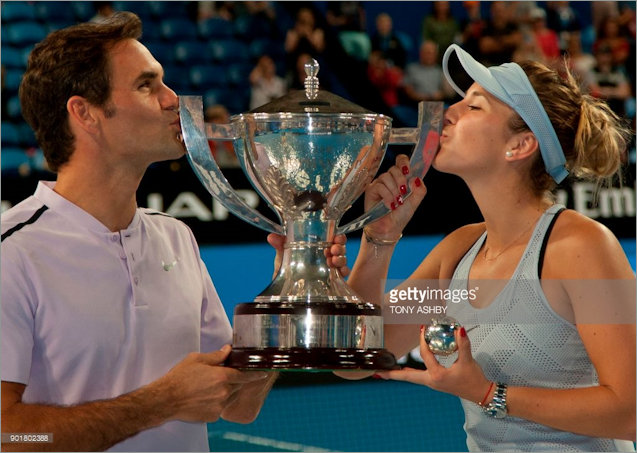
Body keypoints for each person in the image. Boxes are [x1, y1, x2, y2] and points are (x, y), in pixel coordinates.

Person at [0, 13, 348, 452]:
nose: (173, 100)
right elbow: (8, 434)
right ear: (85, 113)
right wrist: (159, 403)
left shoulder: (177, 237)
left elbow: (237, 405)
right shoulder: (12, 253)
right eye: (147, 85)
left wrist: (285, 297)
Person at [345, 43, 635, 451]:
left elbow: (631, 411)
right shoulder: (458, 251)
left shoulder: (579, 246)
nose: (450, 112)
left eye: (474, 106)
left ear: (519, 146)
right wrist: (379, 239)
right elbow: (358, 359)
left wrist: (489, 394)